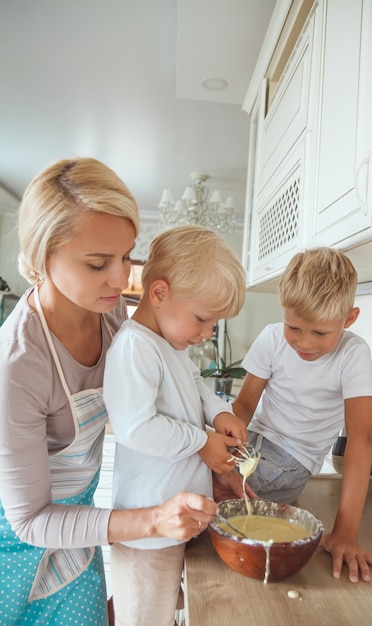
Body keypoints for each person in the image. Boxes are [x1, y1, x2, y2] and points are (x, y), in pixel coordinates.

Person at [0, 158, 218, 626]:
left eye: (126, 256)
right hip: (15, 545)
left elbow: (169, 382)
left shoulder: (113, 315)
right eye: (98, 263)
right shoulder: (17, 364)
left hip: (78, 527)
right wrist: (152, 521)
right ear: (42, 258)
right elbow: (31, 519)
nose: (121, 281)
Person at [103, 225, 248, 626]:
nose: (206, 334)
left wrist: (219, 413)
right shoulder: (135, 347)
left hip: (174, 524)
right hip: (148, 532)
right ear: (159, 294)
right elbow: (135, 427)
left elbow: (196, 386)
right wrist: (202, 440)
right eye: (203, 319)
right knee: (144, 618)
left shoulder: (168, 344)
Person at [232, 247, 372, 584]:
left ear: (349, 319)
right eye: (294, 327)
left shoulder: (353, 353)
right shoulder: (272, 338)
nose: (304, 343)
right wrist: (219, 439)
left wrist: (345, 532)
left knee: (213, 499)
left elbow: (360, 440)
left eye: (320, 333)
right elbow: (243, 407)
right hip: (251, 442)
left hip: (290, 462)